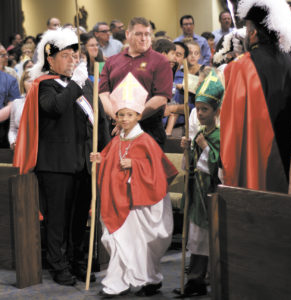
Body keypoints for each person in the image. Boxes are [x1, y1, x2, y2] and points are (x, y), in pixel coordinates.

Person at [13, 27, 110, 285]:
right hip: (56, 165)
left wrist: (104, 152)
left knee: (79, 218)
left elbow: (99, 119)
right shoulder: (44, 86)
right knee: (58, 220)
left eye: (75, 56)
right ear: (51, 59)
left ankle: (79, 261)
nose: (73, 60)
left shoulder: (85, 84)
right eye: (66, 56)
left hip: (84, 162)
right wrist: (77, 84)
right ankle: (59, 264)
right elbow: (55, 108)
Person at [90, 72, 178, 297]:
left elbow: (158, 172)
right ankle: (117, 283)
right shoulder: (116, 140)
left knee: (140, 244)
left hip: (141, 204)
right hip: (120, 203)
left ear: (138, 116)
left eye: (129, 115)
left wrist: (136, 165)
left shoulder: (146, 141)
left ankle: (149, 279)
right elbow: (109, 165)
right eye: (120, 115)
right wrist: (100, 160)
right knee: (121, 243)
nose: (124, 119)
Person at [220, 0, 291, 193]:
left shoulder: (242, 66)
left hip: (260, 158)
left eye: (247, 27)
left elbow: (232, 125)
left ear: (253, 32)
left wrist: (225, 166)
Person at [173, 69, 224, 297]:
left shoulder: (220, 135)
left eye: (205, 109)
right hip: (197, 193)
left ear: (216, 111)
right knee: (195, 238)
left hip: (211, 194)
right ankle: (194, 280)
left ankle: (204, 278)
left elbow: (218, 167)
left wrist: (203, 147)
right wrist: (189, 148)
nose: (200, 113)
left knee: (207, 237)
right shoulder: (201, 132)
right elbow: (190, 166)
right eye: (198, 109)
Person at [99, 17, 173, 148]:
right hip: (116, 129)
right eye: (138, 34)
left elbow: (161, 98)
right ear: (128, 34)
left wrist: (131, 119)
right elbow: (103, 94)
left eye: (147, 34)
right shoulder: (112, 61)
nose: (144, 38)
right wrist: (119, 119)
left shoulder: (161, 61)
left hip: (148, 129)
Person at [8, 70, 32, 149]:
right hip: (20, 149)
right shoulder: (16, 103)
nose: (32, 83)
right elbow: (12, 129)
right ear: (23, 83)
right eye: (29, 80)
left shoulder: (46, 102)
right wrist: (13, 142)